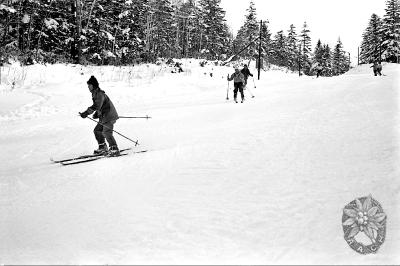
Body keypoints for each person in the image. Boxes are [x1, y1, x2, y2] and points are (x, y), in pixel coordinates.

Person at [79, 76, 120, 156]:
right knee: (97, 130)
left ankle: (114, 149)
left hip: (109, 116)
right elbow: (100, 106)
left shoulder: (99, 94)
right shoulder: (95, 94)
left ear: (93, 85)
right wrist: (97, 113)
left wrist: (86, 113)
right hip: (103, 116)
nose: (88, 87)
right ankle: (102, 147)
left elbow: (96, 105)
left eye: (89, 85)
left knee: (106, 132)